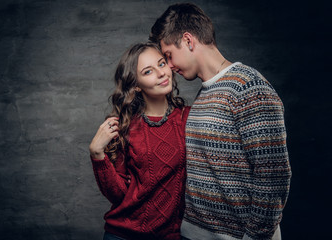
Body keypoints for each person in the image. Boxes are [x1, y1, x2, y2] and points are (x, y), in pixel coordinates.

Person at [149, 3, 292, 240]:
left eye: (168, 56)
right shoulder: (205, 92)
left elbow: (274, 177)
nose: (170, 66)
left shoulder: (249, 87)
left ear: (188, 40)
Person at [89, 42, 190, 240]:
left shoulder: (188, 119)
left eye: (162, 64)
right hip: (123, 235)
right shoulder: (124, 127)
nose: (161, 73)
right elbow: (119, 195)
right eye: (148, 71)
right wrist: (97, 154)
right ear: (136, 85)